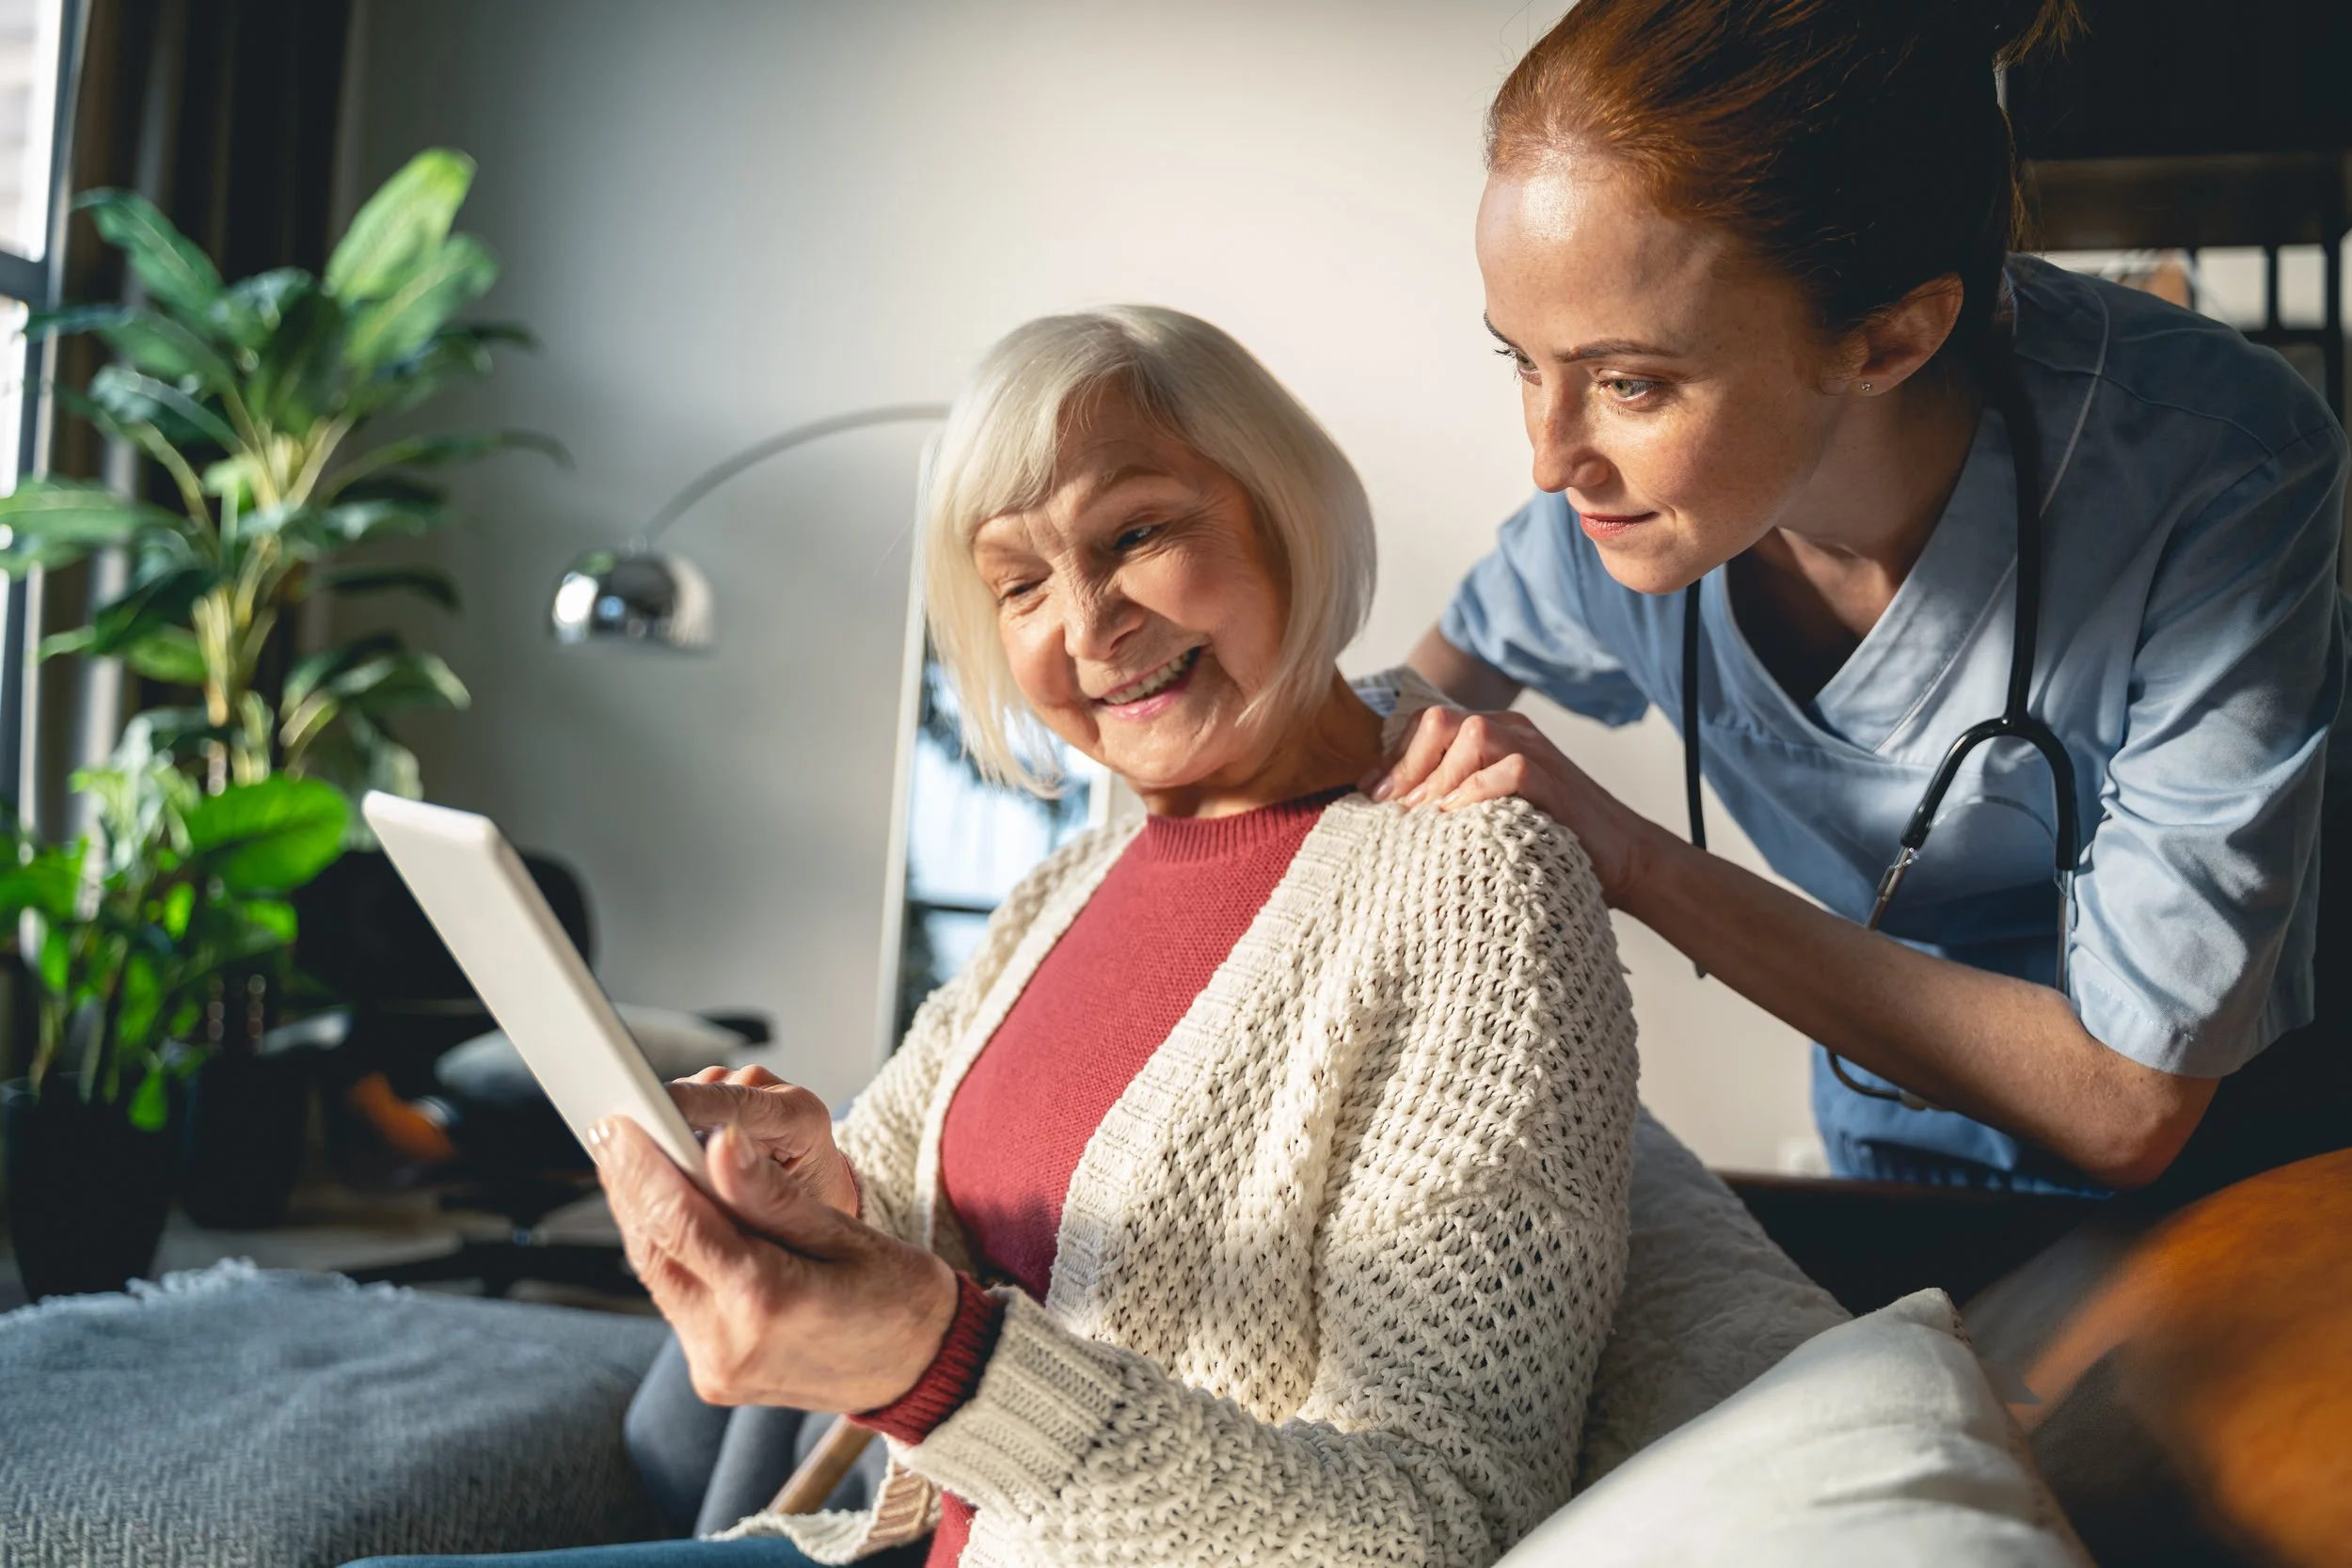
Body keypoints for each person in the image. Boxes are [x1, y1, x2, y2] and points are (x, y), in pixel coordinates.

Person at [348, 306, 1638, 1567]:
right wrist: (818, 1191)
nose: (1086, 627)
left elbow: (1441, 1518)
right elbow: (914, 1210)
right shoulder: (1070, 882)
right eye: (1019, 581)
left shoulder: (1481, 887)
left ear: (1284, 512)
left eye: (1134, 533)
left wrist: (935, 1362)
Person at [1371, 0, 2348, 1198]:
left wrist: (1635, 859)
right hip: (1895, 1156)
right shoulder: (1602, 527)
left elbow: (2129, 1099)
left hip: (2245, 1184)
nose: (1548, 456)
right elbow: (1394, 730)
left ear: (1889, 339)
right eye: (1520, 360)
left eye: (1629, 381)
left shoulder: (2214, 462)